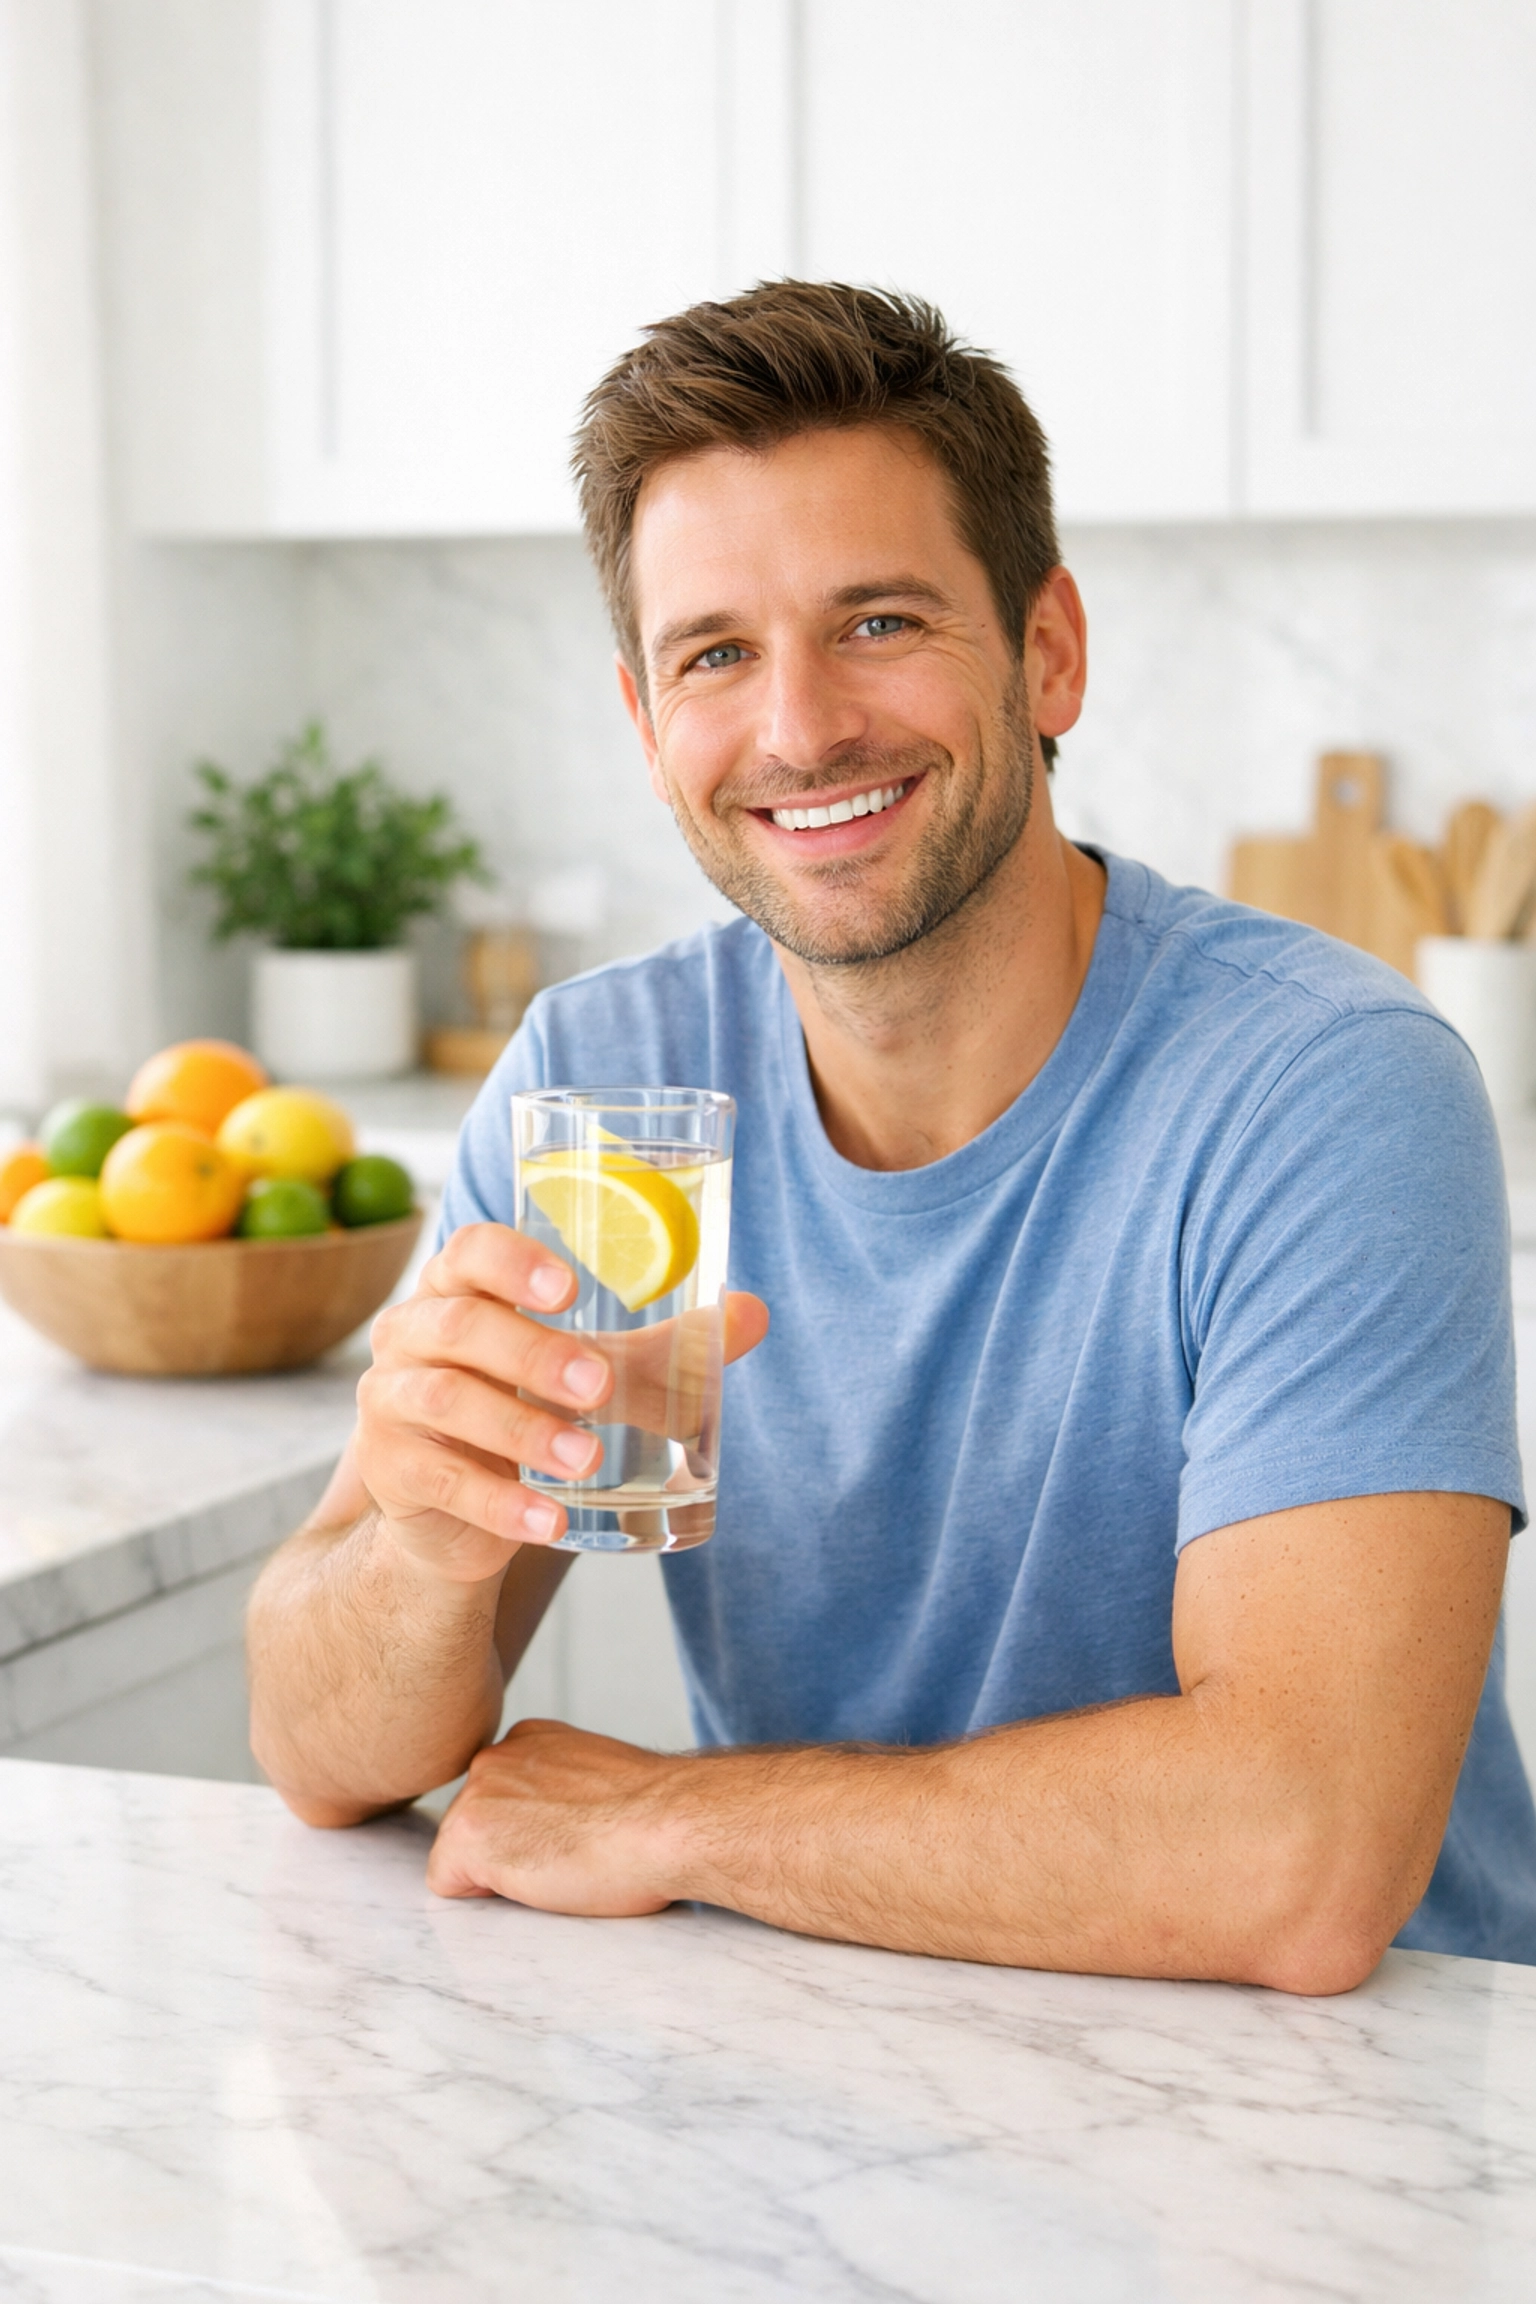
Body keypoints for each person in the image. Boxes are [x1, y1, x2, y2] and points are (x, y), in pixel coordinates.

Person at [247, 282, 1536, 1990]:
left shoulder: (1321, 1088)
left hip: (1352, 2137)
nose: (797, 729)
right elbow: (316, 1748)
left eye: (878, 622)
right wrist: (425, 1545)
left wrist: (675, 1821)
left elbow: (1296, 1856)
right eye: (715, 654)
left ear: (1049, 648)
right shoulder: (602, 1085)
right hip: (834, 2060)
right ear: (645, 723)